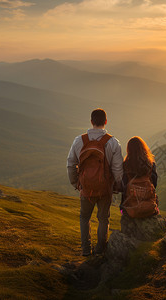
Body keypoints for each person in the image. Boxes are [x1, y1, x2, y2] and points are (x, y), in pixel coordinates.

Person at [67, 108, 123, 256]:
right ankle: (100, 249)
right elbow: (118, 170)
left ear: (91, 121)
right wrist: (116, 186)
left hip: (86, 188)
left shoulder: (79, 141)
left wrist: (76, 183)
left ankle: (86, 250)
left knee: (84, 218)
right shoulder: (113, 142)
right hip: (105, 188)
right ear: (105, 122)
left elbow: (70, 163)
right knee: (103, 219)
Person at [121, 136, 158, 216]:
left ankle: (123, 212)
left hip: (130, 207)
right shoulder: (151, 164)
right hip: (149, 205)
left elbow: (123, 186)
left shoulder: (125, 165)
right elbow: (154, 184)